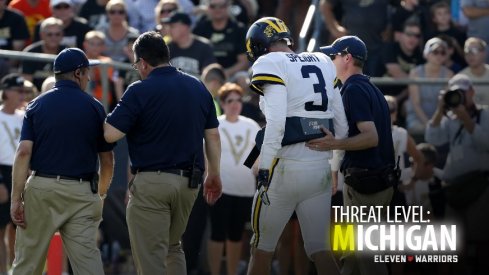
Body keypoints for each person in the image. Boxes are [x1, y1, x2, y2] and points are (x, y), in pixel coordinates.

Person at [103, 31, 222, 274]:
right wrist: (214, 173)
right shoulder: (198, 87)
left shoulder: (139, 90)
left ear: (143, 63)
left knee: (150, 255)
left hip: (152, 183)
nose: (137, 69)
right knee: (173, 247)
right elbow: (212, 135)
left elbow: (110, 134)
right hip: (190, 183)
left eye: (136, 64)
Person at [245, 17, 347, 275]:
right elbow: (342, 125)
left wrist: (265, 168)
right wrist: (334, 167)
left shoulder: (269, 62)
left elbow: (277, 123)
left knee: (261, 248)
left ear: (258, 46)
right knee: (320, 249)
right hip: (320, 167)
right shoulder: (323, 61)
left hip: (285, 166)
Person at [10, 48, 114, 275]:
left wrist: (16, 198)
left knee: (27, 264)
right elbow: (107, 160)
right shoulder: (94, 107)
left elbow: (23, 153)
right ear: (78, 73)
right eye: (87, 72)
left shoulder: (36, 105)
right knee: (88, 265)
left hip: (42, 189)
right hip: (82, 191)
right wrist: (102, 194)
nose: (89, 77)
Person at [311, 35, 397, 275]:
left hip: (366, 186)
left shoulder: (354, 89)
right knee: (351, 256)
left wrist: (334, 143)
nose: (331, 61)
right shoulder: (368, 87)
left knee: (368, 259)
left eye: (333, 56)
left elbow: (371, 137)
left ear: (347, 58)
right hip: (370, 182)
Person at [425, 73, 489, 274]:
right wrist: (439, 110)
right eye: (455, 92)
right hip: (454, 188)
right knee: (454, 242)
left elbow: (485, 144)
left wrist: (467, 120)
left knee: (481, 240)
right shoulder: (449, 118)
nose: (459, 96)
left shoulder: (485, 114)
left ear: (471, 92)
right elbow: (432, 138)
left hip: (479, 185)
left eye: (463, 92)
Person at [207, 82, 259, 275]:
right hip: (221, 187)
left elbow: (257, 153)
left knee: (237, 235)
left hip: (244, 188)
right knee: (217, 233)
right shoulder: (216, 123)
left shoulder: (251, 125)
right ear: (222, 102)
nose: (235, 104)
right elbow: (208, 154)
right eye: (230, 100)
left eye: (238, 100)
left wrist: (247, 169)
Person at [0, 74, 27, 275]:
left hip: (21, 172)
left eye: (23, 91)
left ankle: (16, 270)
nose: (21, 95)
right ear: (6, 92)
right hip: (2, 173)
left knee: (19, 228)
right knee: (1, 229)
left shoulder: (25, 116)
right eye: (18, 91)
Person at [405, 37, 453, 140]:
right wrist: (429, 125)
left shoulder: (449, 74)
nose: (439, 55)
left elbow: (446, 105)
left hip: (440, 118)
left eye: (443, 52)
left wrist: (435, 123)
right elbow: (415, 103)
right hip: (417, 118)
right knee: (417, 129)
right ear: (426, 53)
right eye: (435, 52)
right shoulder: (415, 73)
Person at [193, 0, 249, 79]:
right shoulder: (200, 28)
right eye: (213, 6)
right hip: (204, 75)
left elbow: (244, 62)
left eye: (222, 6)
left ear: (229, 6)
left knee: (243, 80)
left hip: (232, 74)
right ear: (207, 8)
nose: (217, 9)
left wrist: (225, 73)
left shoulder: (239, 30)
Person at [162, 12, 216, 78]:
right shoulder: (167, 48)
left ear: (184, 27)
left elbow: (209, 76)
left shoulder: (204, 47)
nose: (168, 30)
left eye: (172, 26)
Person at [460, 37, 489, 106]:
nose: (470, 55)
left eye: (474, 50)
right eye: (467, 51)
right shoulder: (460, 78)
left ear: (484, 53)